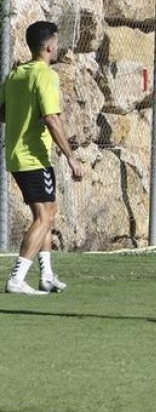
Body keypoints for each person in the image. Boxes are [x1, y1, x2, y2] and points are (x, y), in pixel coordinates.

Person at [3, 21, 84, 295]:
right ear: (49, 46)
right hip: (33, 157)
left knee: (49, 212)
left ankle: (47, 276)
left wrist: (24, 114)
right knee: (43, 217)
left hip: (20, 155)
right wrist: (71, 157)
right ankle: (17, 278)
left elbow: (2, 112)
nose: (58, 47)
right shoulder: (45, 75)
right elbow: (51, 118)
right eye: (57, 42)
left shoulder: (15, 75)